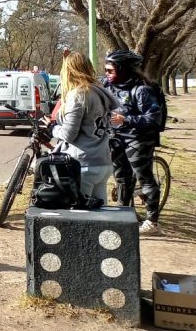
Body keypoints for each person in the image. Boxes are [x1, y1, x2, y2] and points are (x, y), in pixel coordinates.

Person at [40, 53, 118, 202]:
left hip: (83, 163)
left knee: (79, 216)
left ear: (69, 71)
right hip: (102, 161)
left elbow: (69, 134)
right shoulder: (100, 91)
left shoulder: (79, 95)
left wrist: (52, 128)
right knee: (99, 215)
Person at [103, 50, 164, 235]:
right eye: (105, 70)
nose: (106, 73)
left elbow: (154, 118)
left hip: (139, 139)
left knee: (144, 177)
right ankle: (124, 215)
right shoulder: (107, 84)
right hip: (116, 137)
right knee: (121, 178)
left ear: (123, 70)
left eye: (110, 70)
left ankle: (152, 222)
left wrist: (127, 120)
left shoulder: (142, 90)